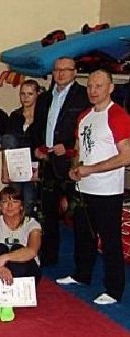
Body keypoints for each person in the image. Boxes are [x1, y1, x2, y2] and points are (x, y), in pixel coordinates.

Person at [56, 69, 130, 305]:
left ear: (111, 88)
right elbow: (79, 150)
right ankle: (82, 274)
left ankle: (114, 289)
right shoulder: (84, 116)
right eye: (89, 86)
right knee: (83, 235)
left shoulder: (117, 115)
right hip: (84, 188)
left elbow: (126, 156)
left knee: (109, 240)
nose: (93, 91)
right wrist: (76, 168)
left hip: (107, 191)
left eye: (99, 86)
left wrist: (92, 169)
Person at [31, 56, 90, 266]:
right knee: (47, 214)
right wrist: (36, 148)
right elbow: (37, 127)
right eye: (57, 70)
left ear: (75, 72)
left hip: (71, 164)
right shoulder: (45, 98)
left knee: (79, 215)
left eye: (66, 69)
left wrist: (69, 147)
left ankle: (82, 266)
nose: (61, 73)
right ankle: (49, 258)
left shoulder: (84, 96)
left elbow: (86, 130)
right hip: (48, 163)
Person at [0, 186, 42, 322]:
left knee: (17, 248)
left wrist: (4, 258)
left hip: (26, 272)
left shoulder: (32, 224)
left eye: (14, 201)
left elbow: (32, 251)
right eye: (5, 202)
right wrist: (0, 267)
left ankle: (6, 301)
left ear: (21, 206)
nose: (9, 206)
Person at [2, 79, 41, 215]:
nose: (25, 97)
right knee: (14, 201)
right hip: (15, 168)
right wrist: (5, 171)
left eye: (30, 94)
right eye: (22, 94)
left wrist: (39, 170)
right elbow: (7, 145)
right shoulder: (14, 116)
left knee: (29, 202)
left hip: (33, 168)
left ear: (37, 94)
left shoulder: (43, 117)